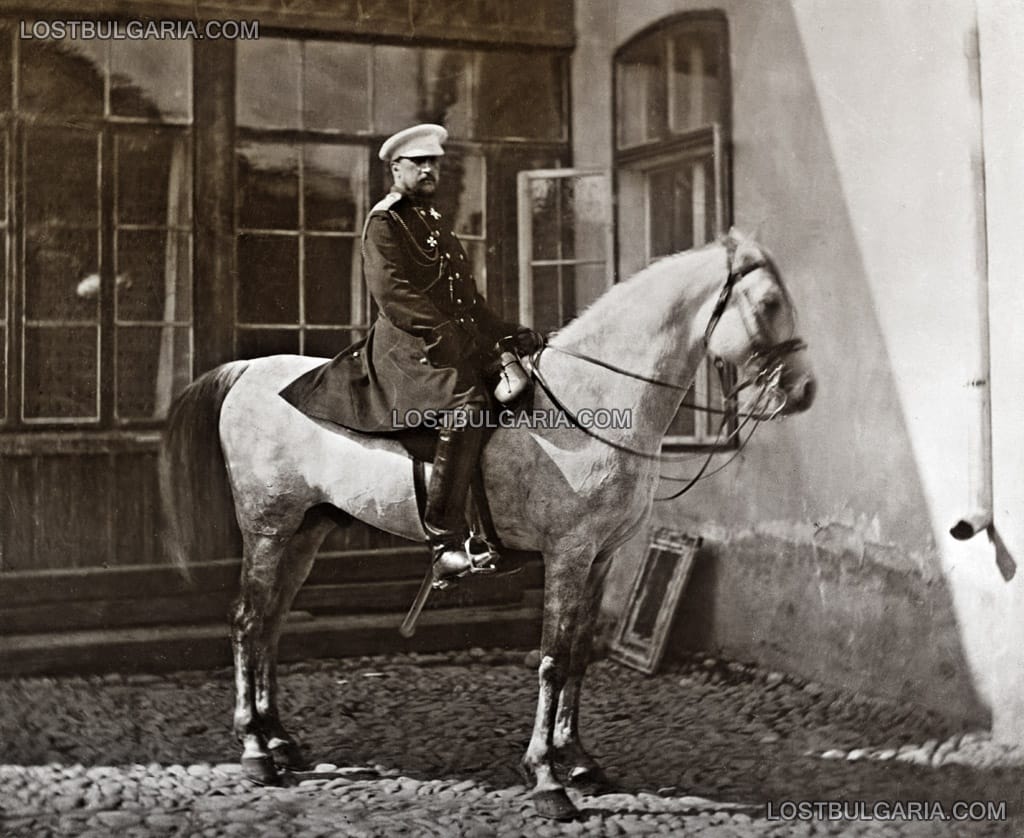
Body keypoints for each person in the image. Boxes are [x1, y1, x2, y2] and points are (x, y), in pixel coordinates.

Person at [281, 123, 542, 582]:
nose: (428, 170)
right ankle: (444, 541)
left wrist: (504, 330)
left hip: (447, 341)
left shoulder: (432, 220)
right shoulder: (385, 221)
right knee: (468, 409)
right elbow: (393, 295)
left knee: (520, 396)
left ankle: (496, 536)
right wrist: (448, 335)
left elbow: (464, 297)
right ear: (395, 167)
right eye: (418, 163)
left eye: (433, 162)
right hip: (409, 346)